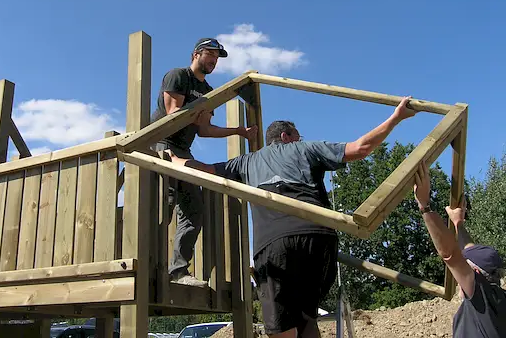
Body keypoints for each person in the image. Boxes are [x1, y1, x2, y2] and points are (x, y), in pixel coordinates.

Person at [169, 97, 418, 337]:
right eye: (298, 135)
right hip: (319, 239)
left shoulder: (246, 162)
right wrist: (396, 118)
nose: (300, 139)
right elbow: (360, 148)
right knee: (307, 319)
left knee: (281, 327)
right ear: (286, 137)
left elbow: (205, 170)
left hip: (275, 244)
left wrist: (174, 159)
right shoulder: (307, 149)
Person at [150, 37, 258, 287]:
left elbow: (205, 130)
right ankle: (150, 266)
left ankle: (178, 271)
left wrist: (238, 131)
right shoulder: (178, 76)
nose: (214, 60)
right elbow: (172, 115)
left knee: (194, 209)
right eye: (210, 54)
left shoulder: (209, 91)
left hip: (183, 151)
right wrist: (195, 114)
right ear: (196, 54)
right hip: (160, 145)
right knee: (163, 205)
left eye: (217, 57)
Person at [413, 161, 506, 337]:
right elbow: (469, 249)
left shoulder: (480, 297)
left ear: (476, 272)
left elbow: (450, 254)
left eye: (465, 264)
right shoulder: (498, 300)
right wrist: (458, 224)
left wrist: (424, 206)